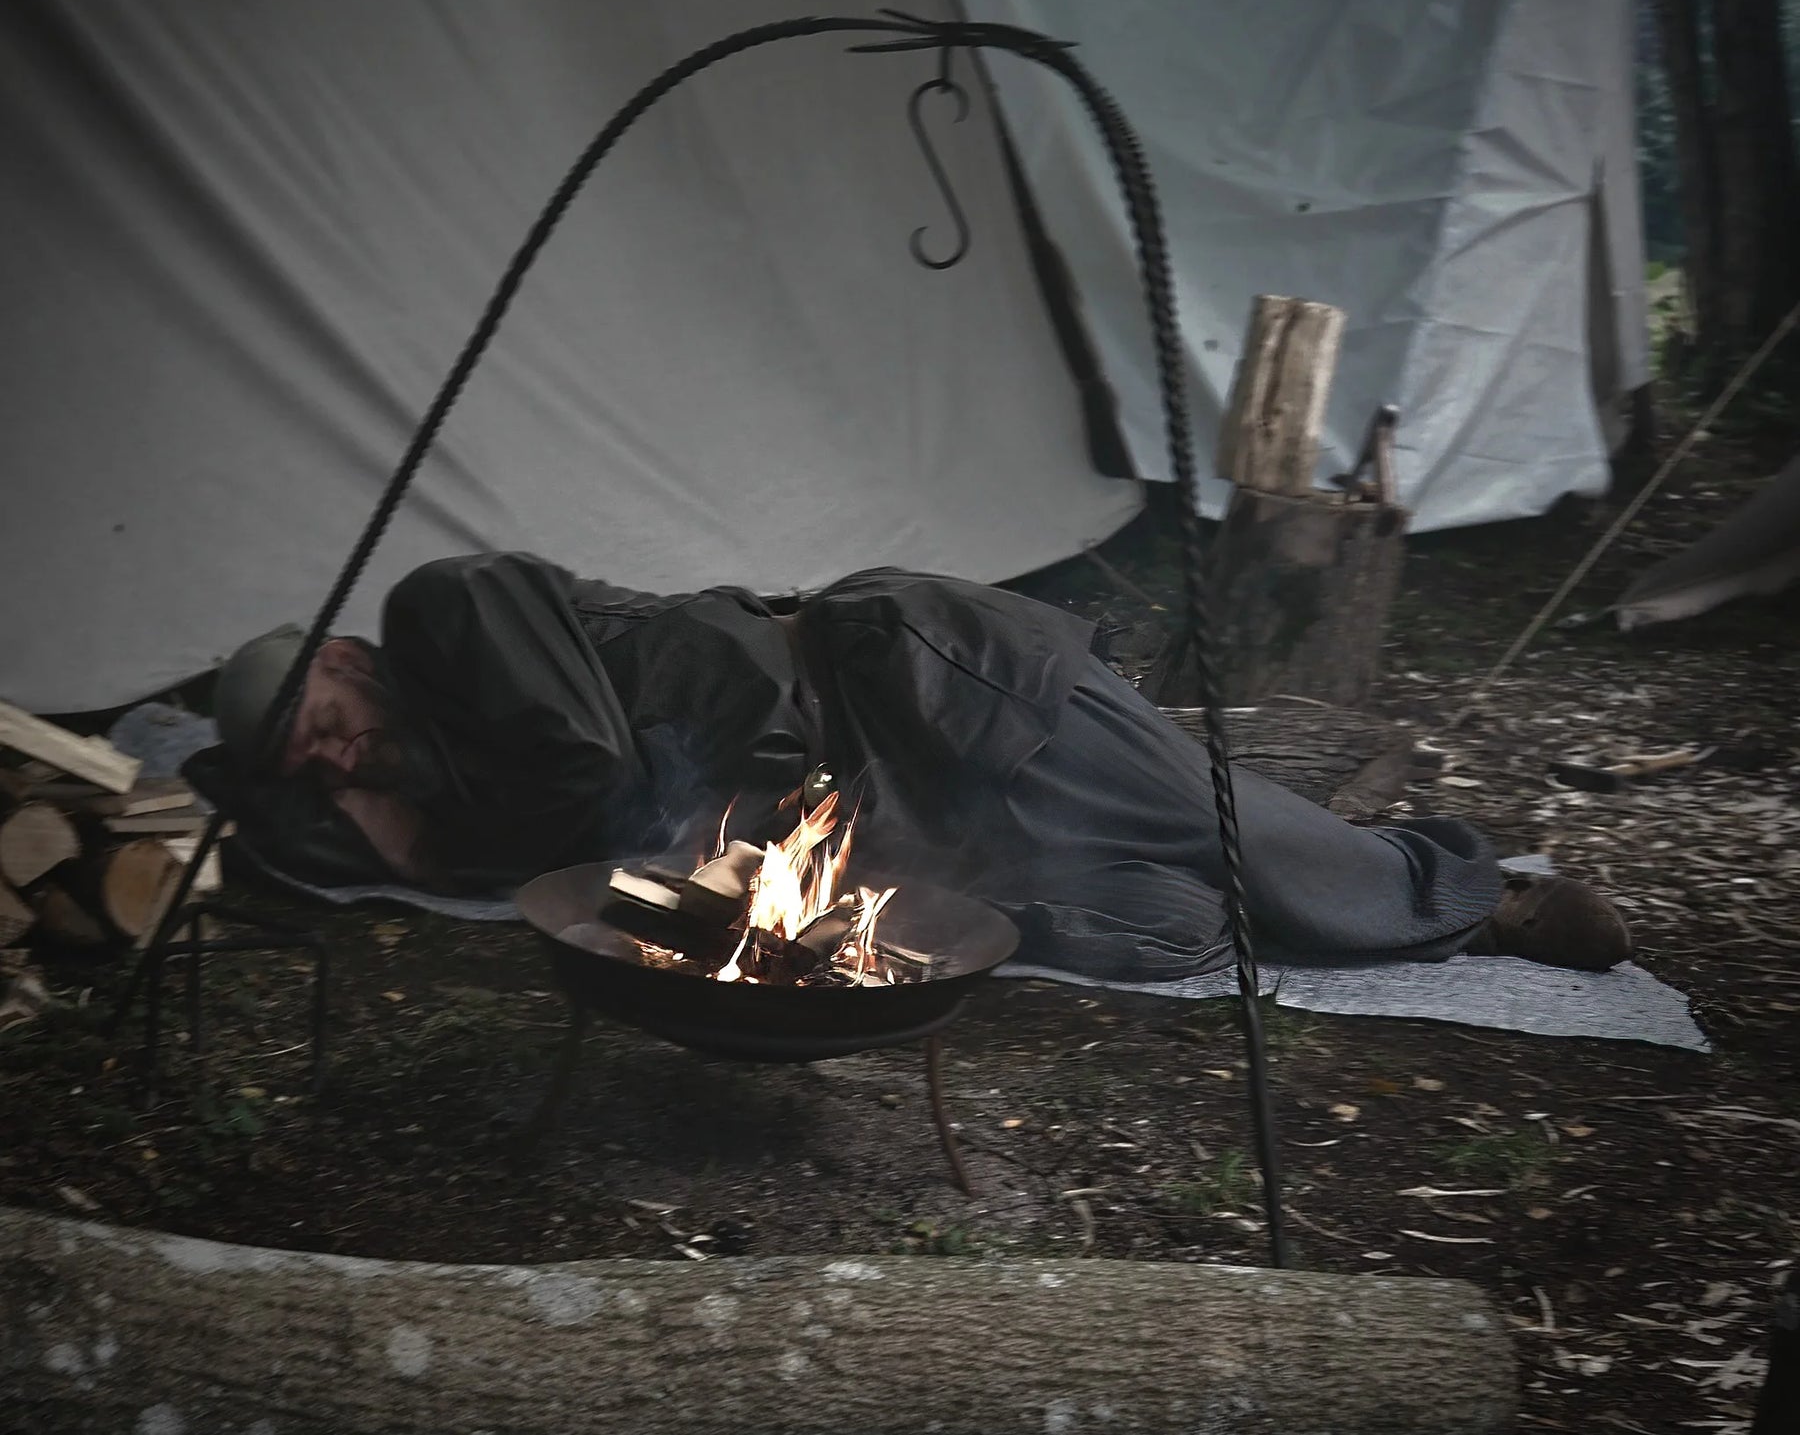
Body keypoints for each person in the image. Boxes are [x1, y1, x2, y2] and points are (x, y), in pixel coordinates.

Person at [201, 552, 1631, 980]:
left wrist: (420, 821)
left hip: (924, 687)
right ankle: (1297, 873)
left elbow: (580, 770)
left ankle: (1468, 883)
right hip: (864, 802)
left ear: (342, 653)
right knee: (1159, 930)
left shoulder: (440, 609)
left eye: (319, 721)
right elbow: (565, 841)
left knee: (1253, 850)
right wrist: (367, 808)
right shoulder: (432, 766)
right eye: (307, 763)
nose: (333, 756)